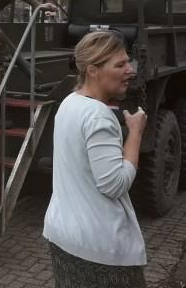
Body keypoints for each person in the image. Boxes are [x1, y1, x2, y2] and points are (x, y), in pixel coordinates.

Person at [43, 31, 147, 287]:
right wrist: (135, 133)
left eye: (128, 62)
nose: (130, 70)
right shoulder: (98, 116)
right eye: (120, 65)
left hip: (63, 234)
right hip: (97, 248)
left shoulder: (69, 102)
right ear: (92, 70)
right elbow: (115, 184)